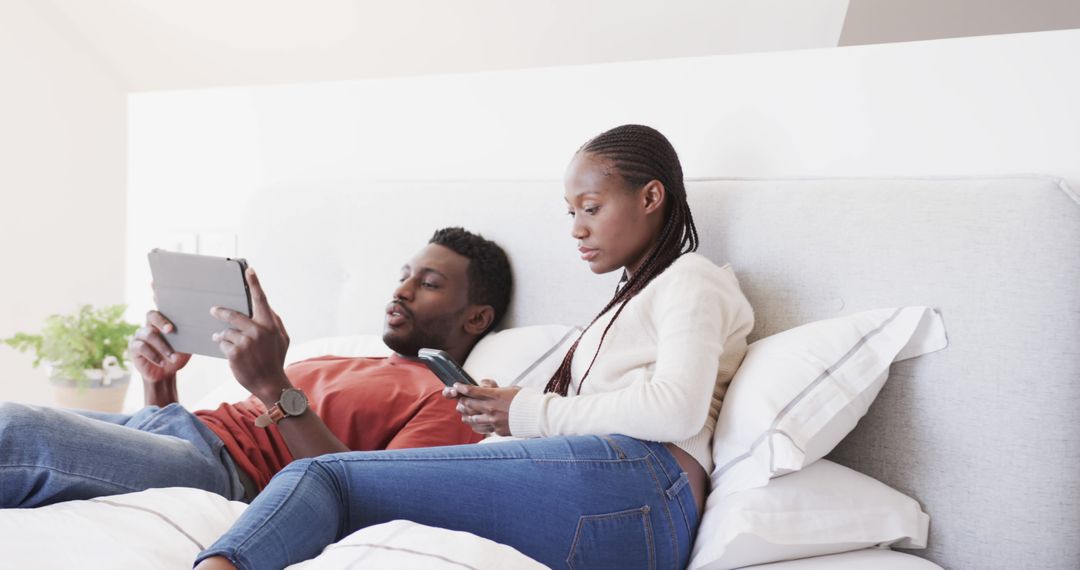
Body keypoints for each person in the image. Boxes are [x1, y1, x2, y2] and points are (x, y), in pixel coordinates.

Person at [194, 125, 755, 569]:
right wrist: (507, 415)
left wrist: (530, 412)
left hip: (643, 485)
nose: (577, 229)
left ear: (651, 196)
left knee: (325, 476)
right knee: (343, 492)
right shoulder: (630, 299)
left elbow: (675, 407)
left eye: (592, 207)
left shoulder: (691, 278)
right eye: (571, 212)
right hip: (626, 512)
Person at [0, 227, 512, 507]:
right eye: (403, 275)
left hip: (226, 472)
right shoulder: (342, 359)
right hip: (179, 433)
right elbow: (185, 435)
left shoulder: (455, 402)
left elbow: (372, 499)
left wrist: (271, 384)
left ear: (477, 317)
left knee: (17, 434)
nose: (400, 290)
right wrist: (160, 382)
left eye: (429, 283)